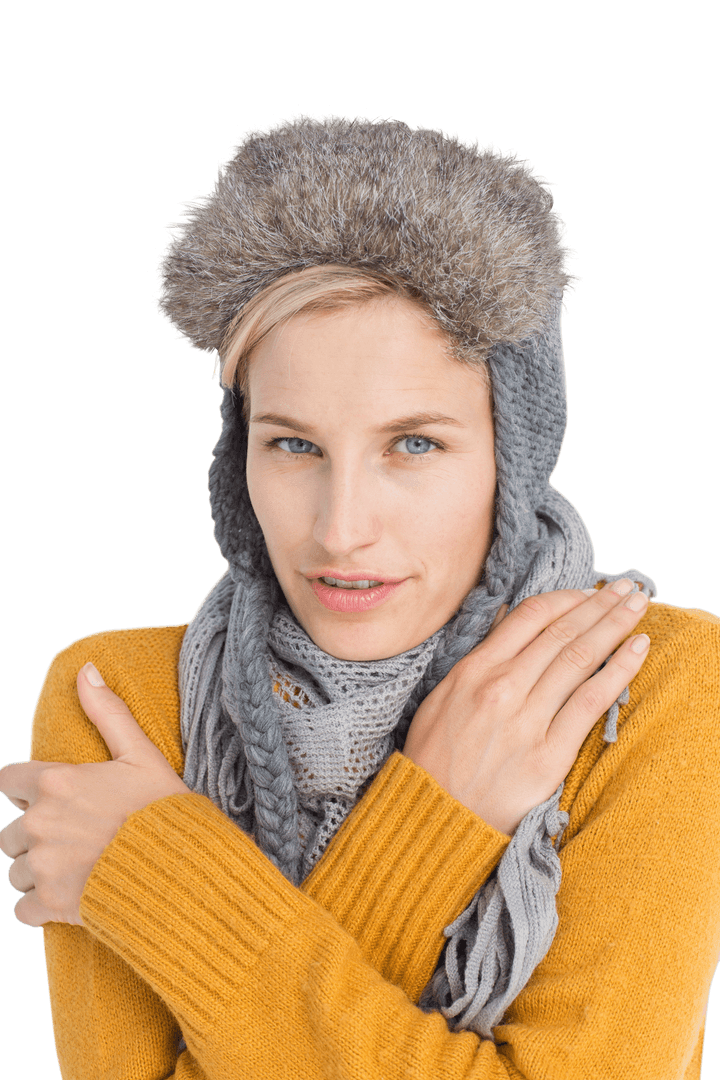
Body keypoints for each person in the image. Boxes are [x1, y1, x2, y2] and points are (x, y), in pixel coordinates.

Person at [1, 114, 718, 1079]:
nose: (340, 530)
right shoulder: (120, 700)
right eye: (293, 444)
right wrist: (438, 815)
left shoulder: (648, 685)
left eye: (413, 444)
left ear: (513, 457)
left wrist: (159, 875)